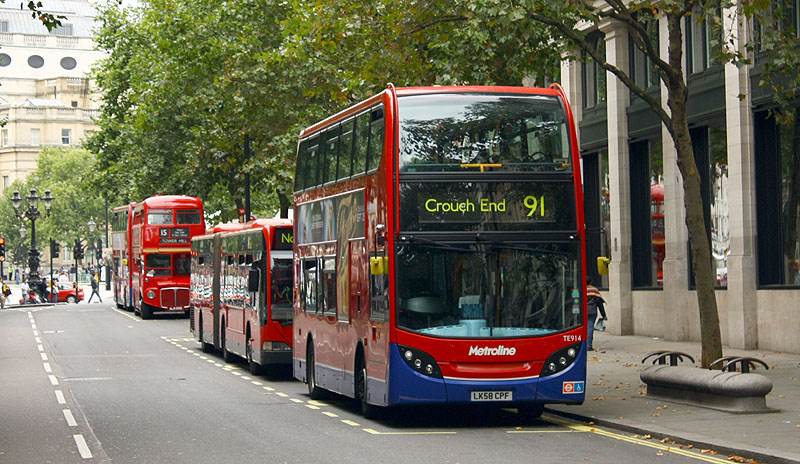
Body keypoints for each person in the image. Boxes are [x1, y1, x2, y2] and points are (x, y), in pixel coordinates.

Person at [586, 277, 607, 351]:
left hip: (582, 313)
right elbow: (599, 303)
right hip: (592, 312)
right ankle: (589, 345)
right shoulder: (594, 290)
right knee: (590, 328)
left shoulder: (580, 289)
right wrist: (604, 315)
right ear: (591, 282)